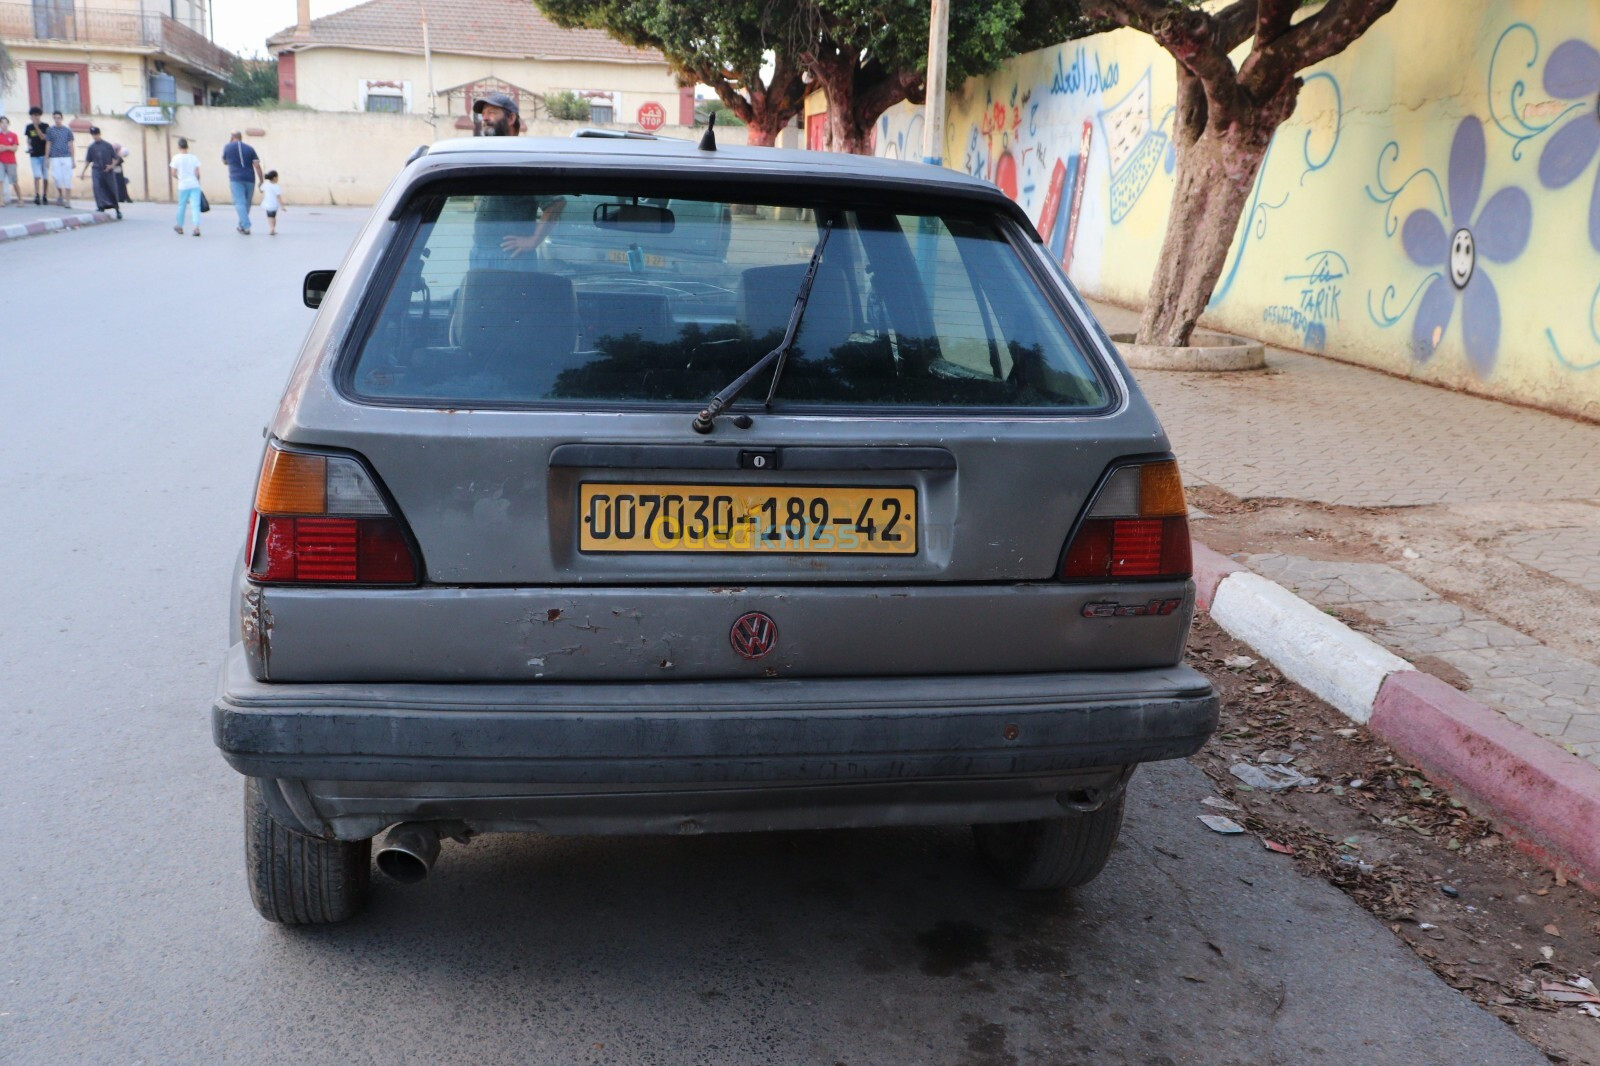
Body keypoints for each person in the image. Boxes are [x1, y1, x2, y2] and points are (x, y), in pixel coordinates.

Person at [468, 93, 566, 268]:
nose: (485, 119)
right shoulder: (491, 157)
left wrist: (533, 241)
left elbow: (555, 203)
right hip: (480, 253)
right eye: (483, 115)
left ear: (511, 118)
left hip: (510, 258)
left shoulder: (525, 159)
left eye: (491, 113)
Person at [222, 131, 263, 235]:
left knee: (240, 202)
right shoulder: (250, 148)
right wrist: (261, 179)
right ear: (241, 138)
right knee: (247, 203)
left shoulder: (228, 147)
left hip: (235, 178)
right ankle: (242, 226)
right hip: (250, 178)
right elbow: (257, 165)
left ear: (232, 138)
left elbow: (224, 161)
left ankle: (246, 225)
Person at [81, 126, 120, 219]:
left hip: (107, 171)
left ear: (99, 134)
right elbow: (88, 160)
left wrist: (111, 166)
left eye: (96, 134)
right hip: (96, 170)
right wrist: (83, 172)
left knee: (111, 189)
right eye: (93, 135)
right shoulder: (91, 147)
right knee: (97, 187)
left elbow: (116, 159)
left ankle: (116, 209)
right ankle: (100, 206)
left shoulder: (107, 145)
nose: (94, 136)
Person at [170, 137, 203, 236]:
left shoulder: (176, 158)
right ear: (187, 146)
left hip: (183, 185)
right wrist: (196, 180)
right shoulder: (194, 157)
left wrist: (179, 177)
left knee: (182, 206)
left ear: (178, 147)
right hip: (194, 184)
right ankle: (196, 227)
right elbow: (197, 173)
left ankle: (180, 226)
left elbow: (173, 172)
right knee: (195, 206)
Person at [44, 111, 74, 207]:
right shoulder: (50, 130)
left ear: (62, 118)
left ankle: (68, 200)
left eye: (59, 118)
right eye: (55, 118)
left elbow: (71, 145)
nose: (57, 120)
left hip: (66, 156)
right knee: (57, 178)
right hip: (55, 157)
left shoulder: (67, 130)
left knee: (67, 178)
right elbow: (48, 144)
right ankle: (60, 193)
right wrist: (47, 158)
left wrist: (73, 159)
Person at [23, 106, 49, 205]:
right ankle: (37, 195)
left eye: (37, 115)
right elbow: (29, 139)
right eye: (34, 115)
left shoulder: (45, 126)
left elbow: (43, 138)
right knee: (37, 175)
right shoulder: (28, 127)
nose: (36, 117)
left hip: (44, 154)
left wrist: (36, 126)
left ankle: (45, 195)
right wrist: (29, 146)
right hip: (34, 155)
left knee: (45, 176)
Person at [0, 117, 21, 207]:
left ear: (8, 124)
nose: (4, 125)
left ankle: (20, 199)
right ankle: (1, 201)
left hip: (11, 161)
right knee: (0, 181)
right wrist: (9, 147)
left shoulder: (13, 135)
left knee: (14, 181)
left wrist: (5, 147)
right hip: (1, 161)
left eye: (6, 123)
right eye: (2, 123)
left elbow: (14, 148)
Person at [261, 169, 285, 235]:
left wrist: (260, 184)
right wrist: (282, 206)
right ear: (274, 178)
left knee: (269, 217)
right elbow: (278, 197)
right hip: (274, 204)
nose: (278, 179)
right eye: (277, 177)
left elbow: (261, 190)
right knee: (273, 217)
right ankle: (273, 228)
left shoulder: (265, 184)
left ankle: (271, 228)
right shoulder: (277, 186)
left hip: (267, 203)